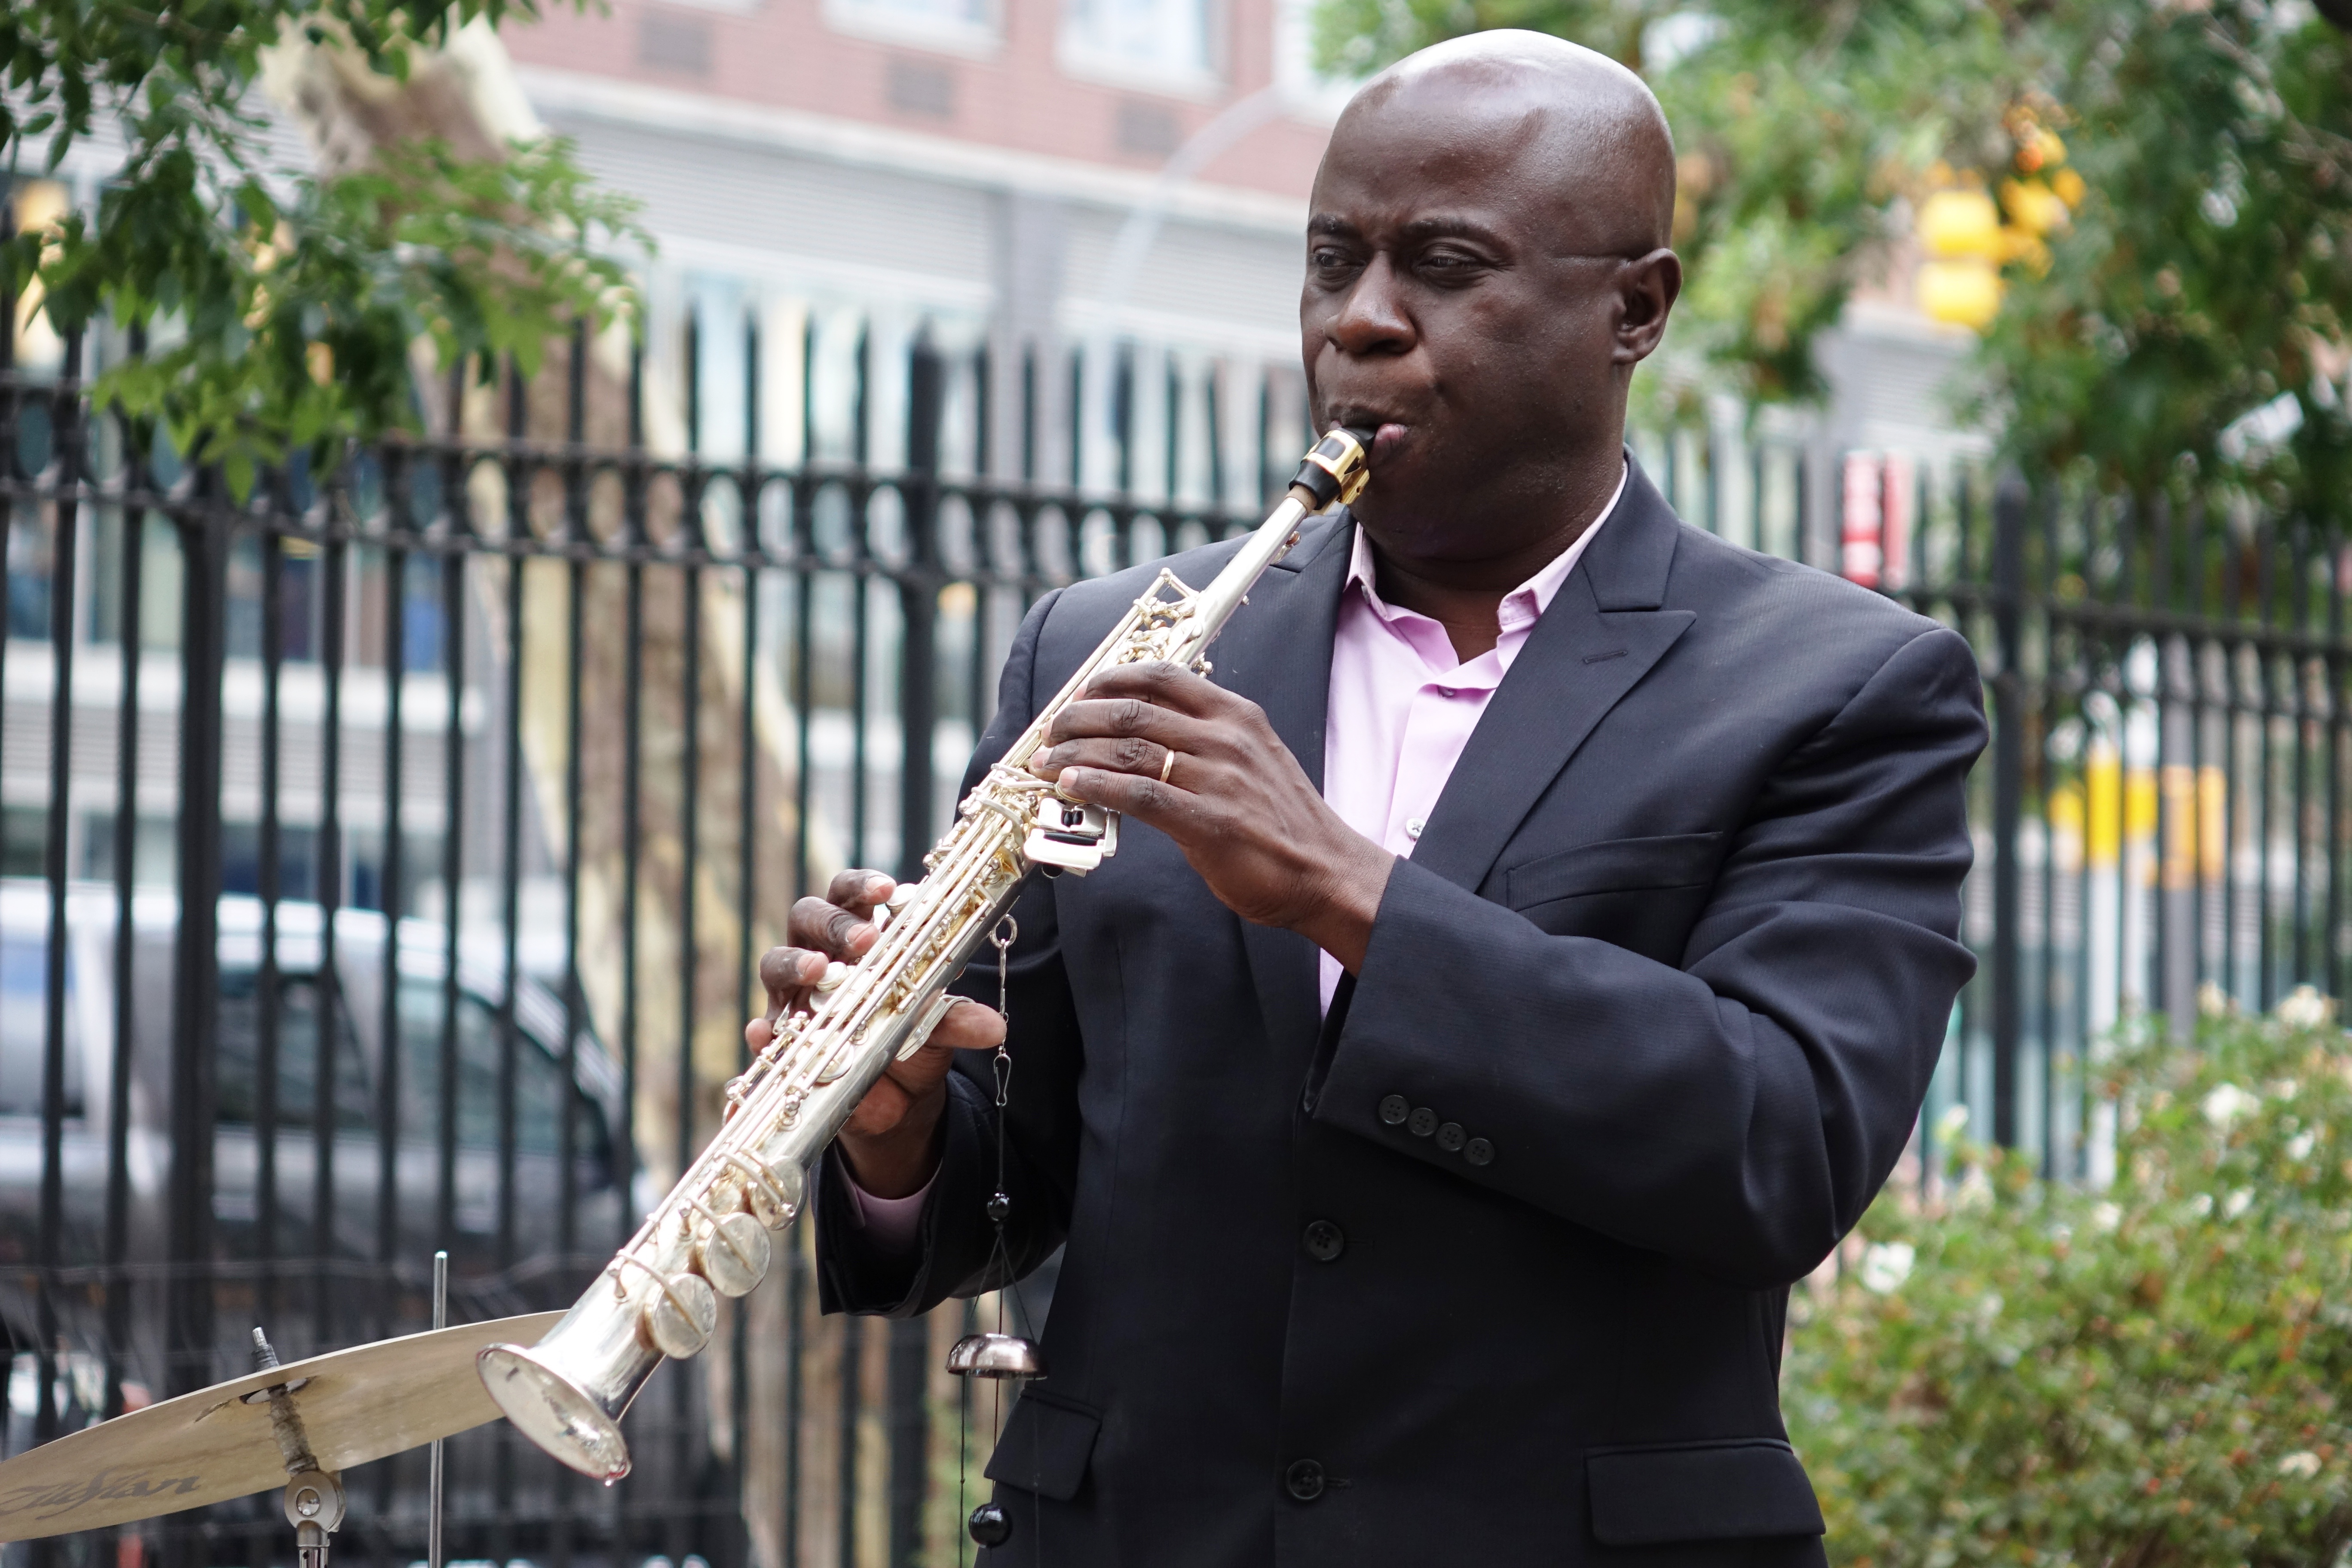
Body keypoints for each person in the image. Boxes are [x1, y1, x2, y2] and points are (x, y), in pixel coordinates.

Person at [747, 30, 1985, 1568]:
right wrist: (897, 1128)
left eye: (1444, 266)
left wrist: (1350, 889)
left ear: (1636, 310)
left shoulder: (1842, 688)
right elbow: (1029, 1181)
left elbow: (1777, 1148)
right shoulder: (1102, 643)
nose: (1362, 323)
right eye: (1332, 261)